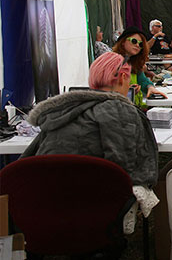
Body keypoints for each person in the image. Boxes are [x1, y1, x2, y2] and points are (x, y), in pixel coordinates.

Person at [22, 52, 158, 186]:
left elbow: (28, 158)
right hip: (92, 196)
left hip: (45, 191)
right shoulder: (119, 110)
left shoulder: (62, 110)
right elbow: (124, 169)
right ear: (122, 78)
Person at [113, 26, 167, 106]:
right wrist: (126, 90)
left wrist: (150, 87)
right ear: (123, 41)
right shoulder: (112, 62)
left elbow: (142, 79)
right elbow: (104, 87)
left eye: (141, 44)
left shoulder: (133, 62)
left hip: (134, 107)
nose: (138, 45)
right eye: (134, 41)